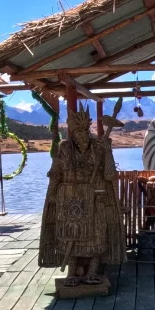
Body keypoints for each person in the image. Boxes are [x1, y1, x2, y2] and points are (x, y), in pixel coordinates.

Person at [38, 105, 125, 282]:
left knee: (97, 236)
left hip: (96, 201)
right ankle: (71, 273)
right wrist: (54, 193)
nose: (82, 137)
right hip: (71, 201)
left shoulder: (99, 148)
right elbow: (56, 173)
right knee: (72, 236)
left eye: (84, 132)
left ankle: (93, 271)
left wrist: (108, 151)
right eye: (78, 134)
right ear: (73, 136)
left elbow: (109, 175)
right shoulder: (65, 149)